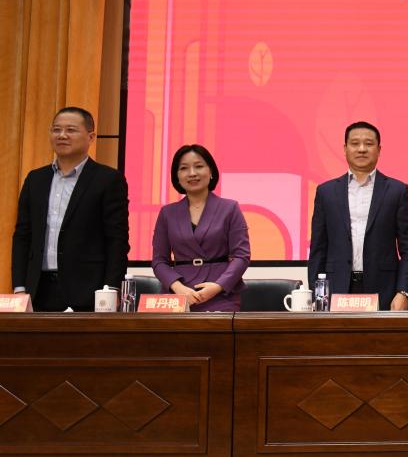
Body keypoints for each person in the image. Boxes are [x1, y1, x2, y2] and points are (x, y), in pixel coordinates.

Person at [11, 107, 129, 312]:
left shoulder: (108, 179)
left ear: (91, 137)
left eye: (71, 130)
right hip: (37, 289)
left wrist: (111, 288)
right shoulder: (35, 179)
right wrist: (19, 287)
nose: (62, 135)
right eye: (56, 130)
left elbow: (117, 239)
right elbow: (23, 235)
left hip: (89, 290)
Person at [308, 122, 408, 311]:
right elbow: (318, 249)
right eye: (354, 143)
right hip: (337, 290)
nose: (361, 149)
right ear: (345, 149)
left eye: (368, 143)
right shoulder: (326, 192)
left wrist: (403, 292)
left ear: (379, 150)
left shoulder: (397, 191)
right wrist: (317, 296)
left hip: (384, 290)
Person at [152, 144, 250, 312]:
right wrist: (178, 288)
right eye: (184, 168)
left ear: (211, 171)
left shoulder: (230, 208)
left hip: (221, 293)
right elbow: (159, 261)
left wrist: (218, 286)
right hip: (179, 294)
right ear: (177, 176)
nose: (192, 173)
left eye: (199, 166)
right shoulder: (167, 213)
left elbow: (241, 256)